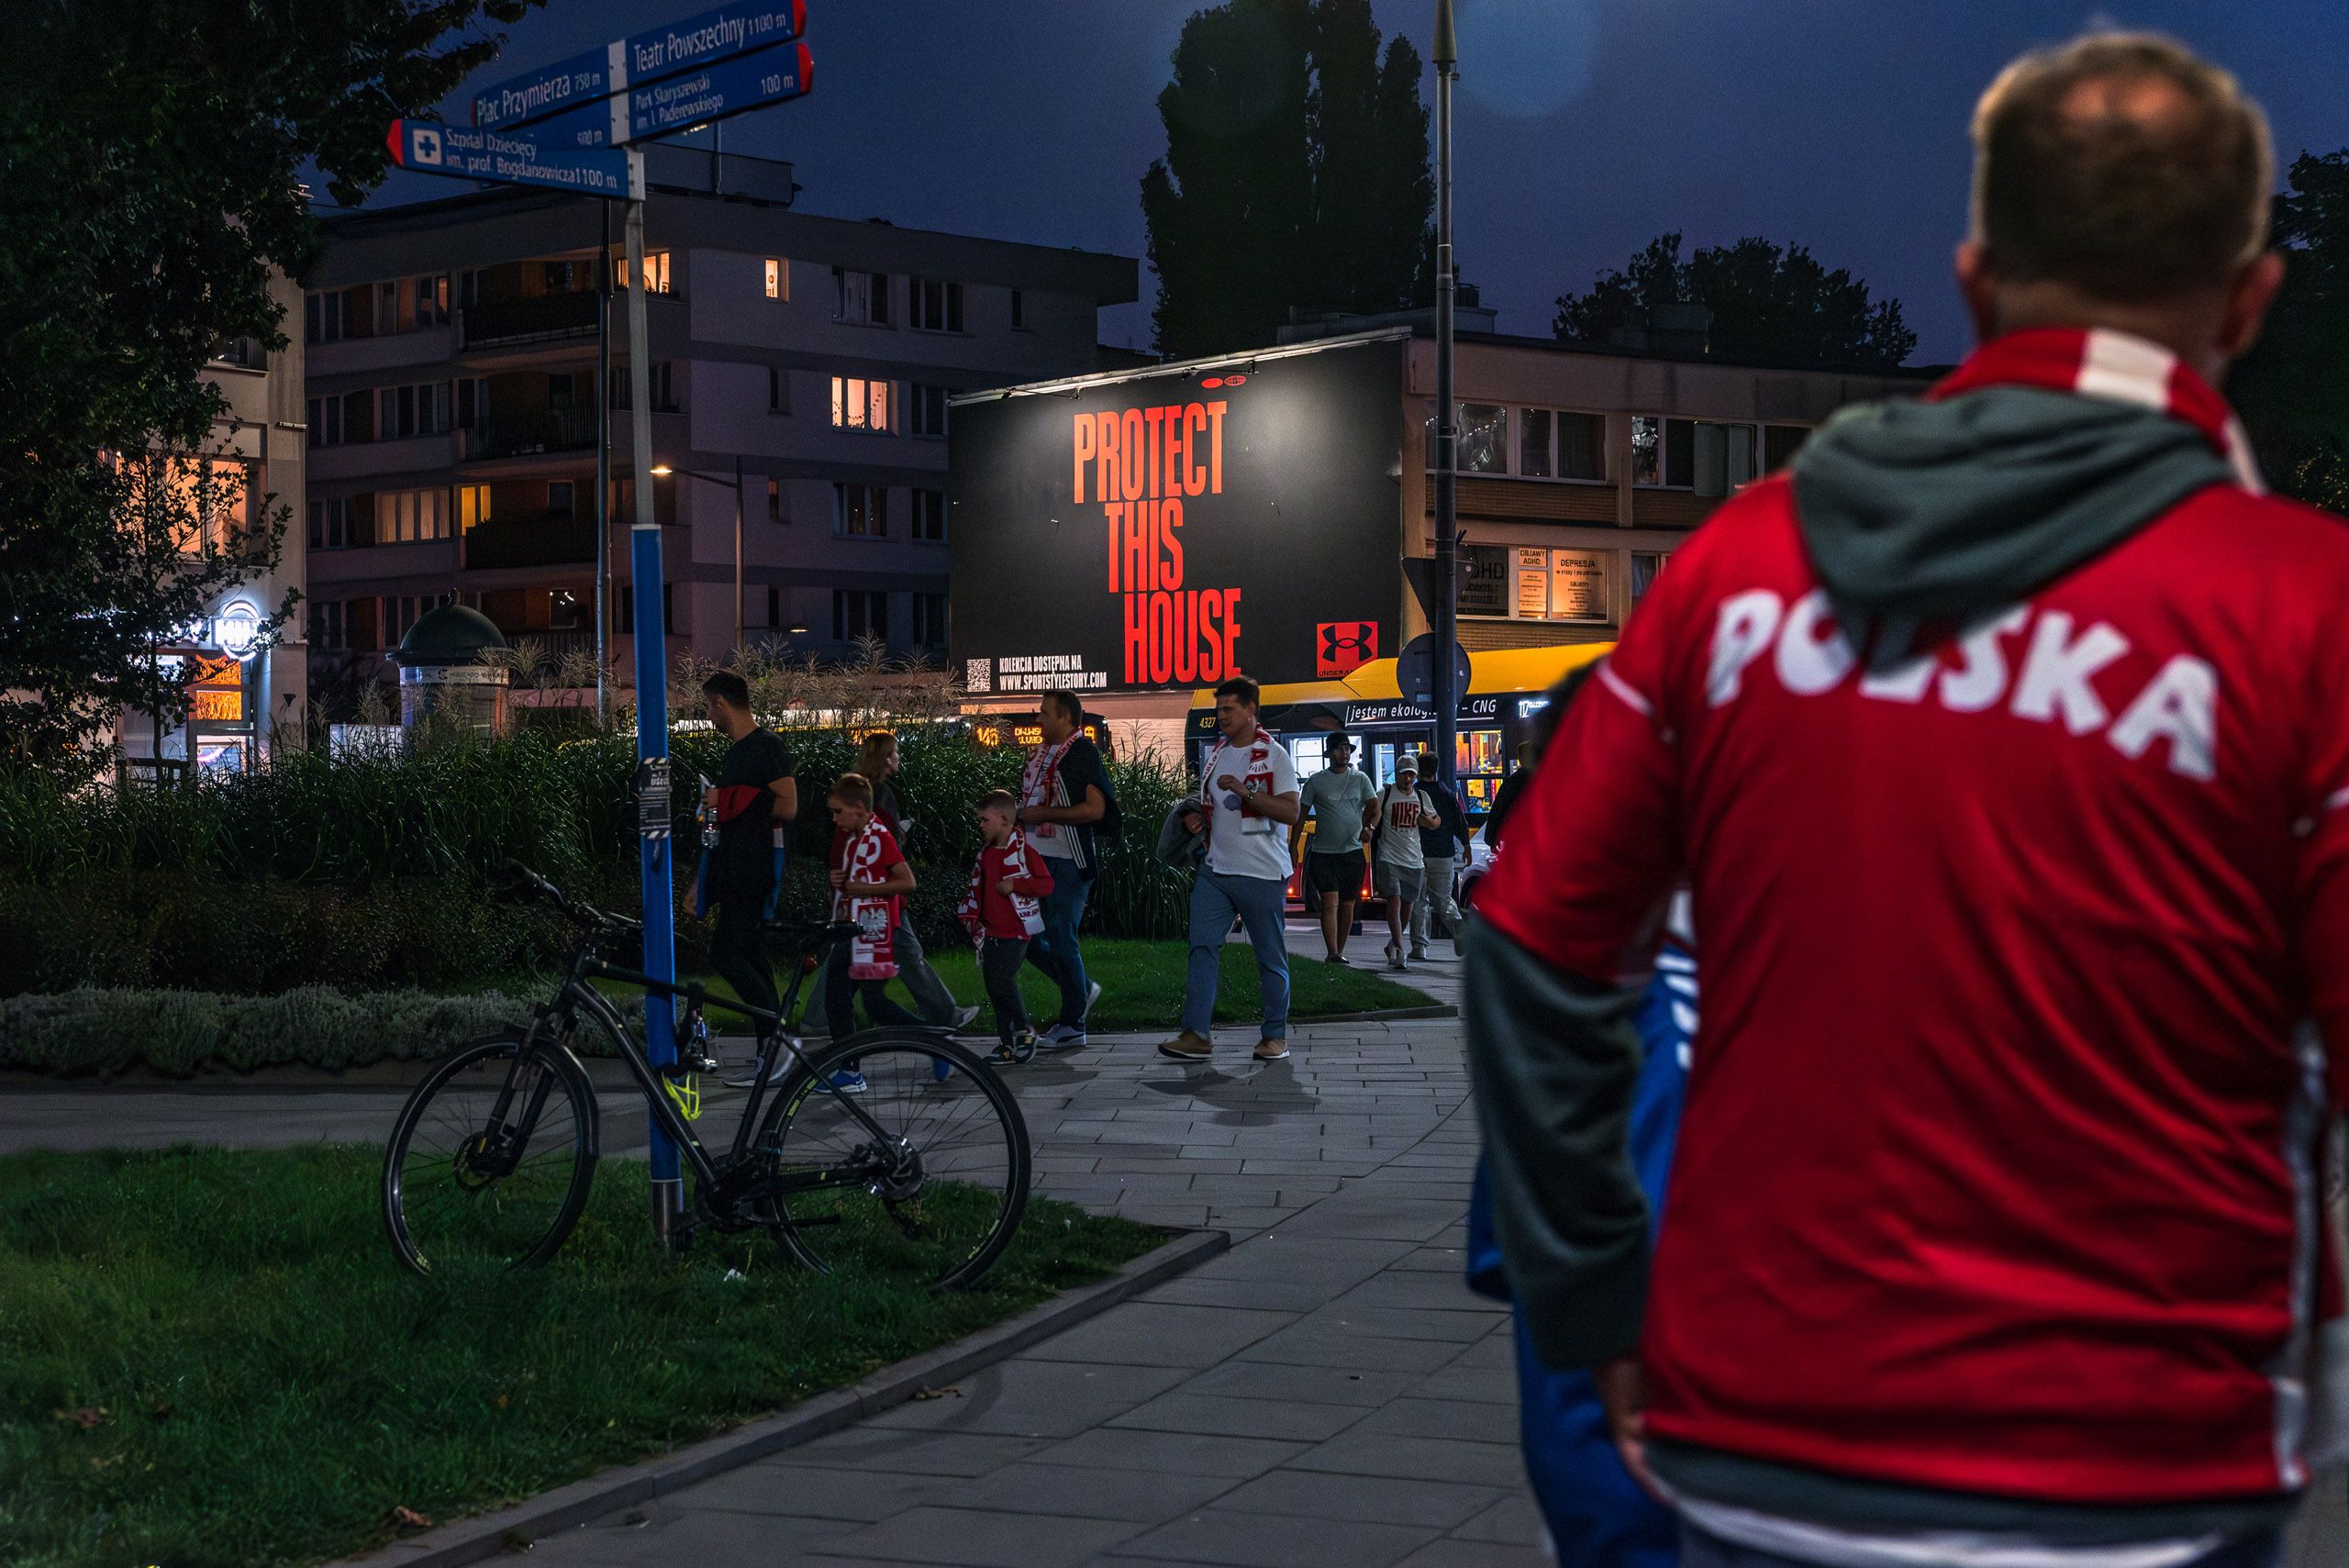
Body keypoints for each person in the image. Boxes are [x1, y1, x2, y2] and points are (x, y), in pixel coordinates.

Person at [1467, 34, 2337, 1568]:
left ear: (1975, 278)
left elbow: (1532, 948)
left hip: (1763, 1438)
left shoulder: (1734, 571)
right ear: (2249, 300)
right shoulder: (2299, 609)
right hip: (2143, 1453)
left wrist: (1597, 1296)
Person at [1158, 677, 1301, 1062]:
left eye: (1228, 709)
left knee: (1270, 957)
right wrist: (1194, 818)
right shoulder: (1217, 752)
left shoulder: (1274, 755)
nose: (1220, 716)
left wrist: (1246, 792)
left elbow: (1290, 811)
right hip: (1215, 870)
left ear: (1251, 711)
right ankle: (1196, 1034)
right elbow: (1212, 806)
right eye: (1218, 709)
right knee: (1201, 946)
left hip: (1262, 874)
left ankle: (1274, 1036)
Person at [691, 671, 796, 1053]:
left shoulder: (766, 746)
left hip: (754, 868)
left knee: (728, 954)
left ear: (721, 702)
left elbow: (789, 804)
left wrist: (728, 798)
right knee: (751, 954)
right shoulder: (738, 752)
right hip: (737, 866)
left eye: (707, 706)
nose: (707, 715)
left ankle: (776, 1040)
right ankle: (772, 1046)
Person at [851, 729, 976, 1033]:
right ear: (885, 759)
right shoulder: (882, 795)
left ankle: (818, 1019)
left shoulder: (857, 792)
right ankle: (943, 1019)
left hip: (862, 892)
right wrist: (899, 837)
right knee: (908, 955)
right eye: (895, 753)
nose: (899, 758)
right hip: (884, 893)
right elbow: (885, 845)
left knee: (847, 960)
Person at [1015, 691, 1114, 1050]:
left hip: (1067, 860)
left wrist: (1043, 815)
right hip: (1034, 858)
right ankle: (1081, 989)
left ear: (1066, 718)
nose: (1037, 720)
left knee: (1059, 935)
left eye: (1044, 713)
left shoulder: (1082, 752)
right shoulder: (1041, 754)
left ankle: (1073, 1022)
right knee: (1023, 936)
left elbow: (1094, 810)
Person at [817, 771, 921, 1094]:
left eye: (839, 811)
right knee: (847, 997)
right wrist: (842, 885)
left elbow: (907, 882)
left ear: (861, 809)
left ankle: (929, 1036)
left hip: (873, 931)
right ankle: (850, 1066)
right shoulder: (856, 839)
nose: (834, 819)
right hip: (858, 929)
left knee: (860, 999)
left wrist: (860, 888)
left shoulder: (880, 838)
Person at [959, 789, 1054, 1067]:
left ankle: (1025, 1032)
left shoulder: (1025, 853)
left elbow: (1045, 884)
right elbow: (980, 888)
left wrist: (1016, 885)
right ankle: (1006, 1043)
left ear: (1003, 819)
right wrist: (975, 915)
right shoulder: (987, 855)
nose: (980, 825)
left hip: (1016, 932)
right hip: (992, 933)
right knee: (994, 987)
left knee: (1003, 982)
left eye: (984, 819)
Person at [1293, 734, 1378, 962]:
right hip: (1323, 853)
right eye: (1340, 749)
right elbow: (1300, 816)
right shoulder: (1315, 781)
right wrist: (1293, 847)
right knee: (1329, 902)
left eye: (1347, 749)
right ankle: (1332, 952)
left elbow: (1374, 807)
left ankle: (1340, 950)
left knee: (1348, 903)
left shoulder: (1360, 779)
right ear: (1330, 753)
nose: (1344, 753)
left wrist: (1369, 827)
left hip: (1352, 852)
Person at [1369, 753, 1436, 972]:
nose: (1407, 779)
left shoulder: (1421, 796)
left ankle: (1392, 944)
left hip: (1414, 859)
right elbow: (1374, 813)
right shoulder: (1385, 794)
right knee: (1394, 902)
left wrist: (1428, 822)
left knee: (1408, 906)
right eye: (1403, 774)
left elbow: (1436, 821)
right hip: (1389, 857)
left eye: (1411, 775)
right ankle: (1399, 948)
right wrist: (1369, 828)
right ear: (1396, 774)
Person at [1408, 750, 1473, 960]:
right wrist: (1466, 846)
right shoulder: (1446, 793)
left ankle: (1419, 946)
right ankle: (1458, 928)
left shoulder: (1414, 793)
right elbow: (1459, 822)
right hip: (1444, 853)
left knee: (1419, 900)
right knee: (1444, 898)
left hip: (1418, 852)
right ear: (1436, 770)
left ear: (1418, 770)